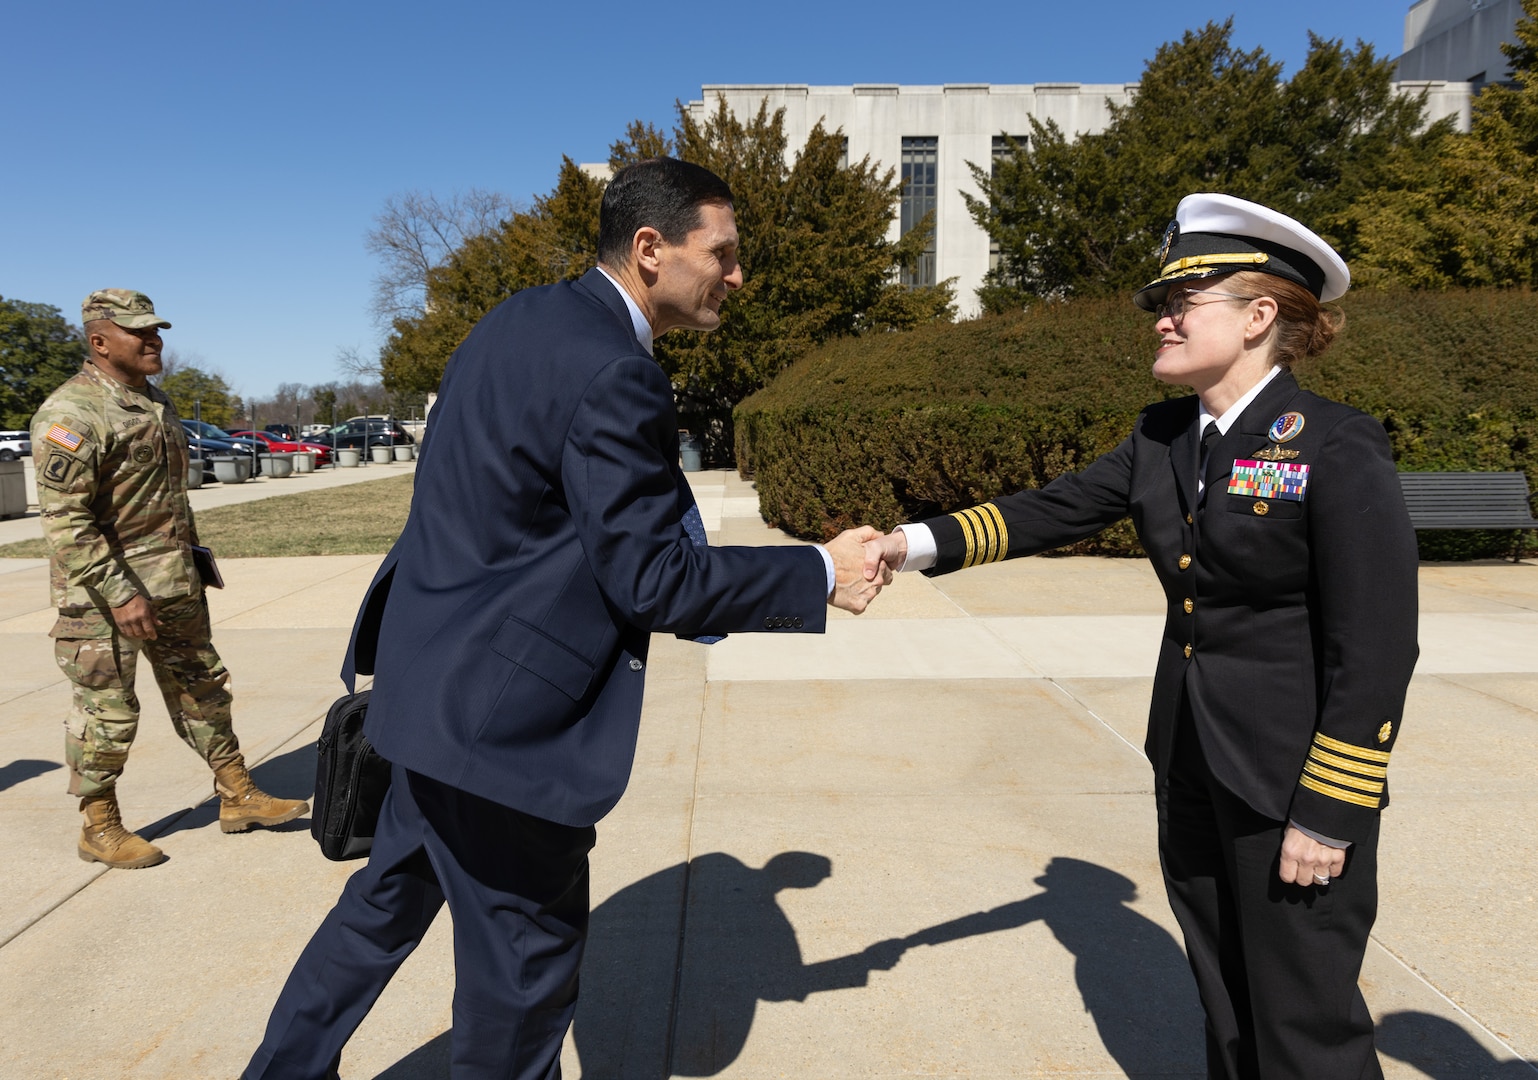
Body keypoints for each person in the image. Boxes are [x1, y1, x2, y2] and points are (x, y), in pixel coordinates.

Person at [245, 158, 889, 1080]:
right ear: (650, 249)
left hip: (427, 698)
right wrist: (817, 571)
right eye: (725, 253)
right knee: (522, 984)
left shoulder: (516, 320)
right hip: (504, 739)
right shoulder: (616, 371)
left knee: (376, 915)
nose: (738, 276)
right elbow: (654, 580)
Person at [864, 194, 1419, 1079]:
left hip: (1290, 781)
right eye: (1158, 304)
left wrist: (1331, 808)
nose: (1160, 319)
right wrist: (907, 545)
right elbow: (1050, 510)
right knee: (1226, 1001)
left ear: (1260, 316)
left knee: (1305, 1019)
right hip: (1193, 762)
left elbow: (1379, 645)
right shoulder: (1164, 438)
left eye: (1182, 304)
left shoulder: (1335, 442)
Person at [30, 289, 310, 870]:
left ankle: (237, 795)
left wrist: (190, 566)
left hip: (173, 585)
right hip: (105, 600)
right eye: (139, 332)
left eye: (156, 329)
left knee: (204, 689)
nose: (154, 340)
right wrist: (120, 591)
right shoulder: (71, 414)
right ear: (100, 341)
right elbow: (66, 522)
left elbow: (166, 503)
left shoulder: (156, 404)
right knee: (107, 714)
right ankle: (99, 825)